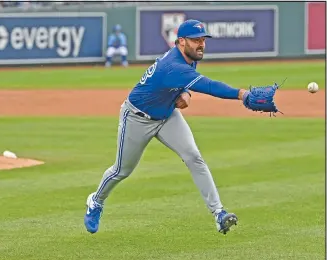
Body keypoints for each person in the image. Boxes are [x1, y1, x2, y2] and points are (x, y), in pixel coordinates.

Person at [84, 19, 256, 235]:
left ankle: (219, 214)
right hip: (137, 117)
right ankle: (96, 201)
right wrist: (242, 94)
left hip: (167, 116)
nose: (201, 44)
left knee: (194, 156)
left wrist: (186, 93)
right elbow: (209, 86)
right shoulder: (172, 65)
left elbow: (187, 83)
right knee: (122, 170)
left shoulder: (190, 56)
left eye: (203, 39)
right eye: (195, 40)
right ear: (181, 42)